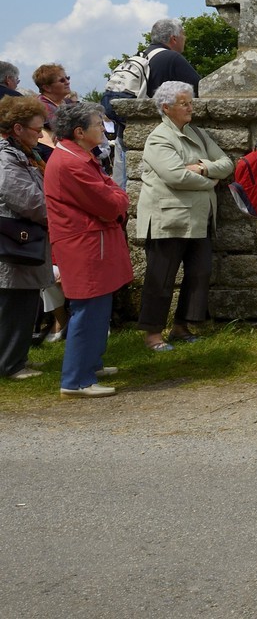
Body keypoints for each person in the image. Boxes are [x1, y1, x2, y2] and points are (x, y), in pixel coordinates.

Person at [134, 81, 233, 351]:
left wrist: (201, 168)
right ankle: (153, 335)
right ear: (166, 108)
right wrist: (211, 181)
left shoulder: (197, 134)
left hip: (199, 218)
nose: (190, 107)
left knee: (199, 273)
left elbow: (226, 164)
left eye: (190, 102)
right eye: (184, 103)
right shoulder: (158, 138)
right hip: (169, 219)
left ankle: (181, 327)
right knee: (161, 278)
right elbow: (175, 176)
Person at [44, 102, 131, 397]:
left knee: (97, 306)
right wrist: (119, 201)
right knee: (87, 308)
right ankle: (76, 380)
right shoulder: (72, 162)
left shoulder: (77, 156)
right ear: (80, 132)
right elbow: (110, 201)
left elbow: (111, 190)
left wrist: (116, 197)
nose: (103, 129)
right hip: (85, 244)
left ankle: (90, 364)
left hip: (91, 242)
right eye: (98, 124)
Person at [0, 95, 53, 380]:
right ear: (18, 129)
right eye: (36, 129)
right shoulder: (6, 157)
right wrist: (56, 215)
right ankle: (10, 365)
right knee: (13, 305)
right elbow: (26, 199)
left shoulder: (23, 153)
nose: (41, 134)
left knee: (22, 303)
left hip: (22, 242)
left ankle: (15, 359)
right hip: (14, 243)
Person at [142, 18, 202, 100]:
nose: (185, 38)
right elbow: (200, 88)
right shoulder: (172, 57)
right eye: (183, 34)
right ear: (174, 39)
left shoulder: (142, 55)